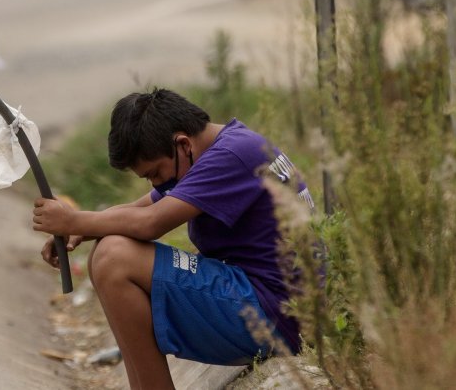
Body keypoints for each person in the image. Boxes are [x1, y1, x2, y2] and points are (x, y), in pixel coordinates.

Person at [32, 89, 315, 390]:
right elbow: (141, 208)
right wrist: (81, 230)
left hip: (277, 315)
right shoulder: (223, 148)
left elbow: (150, 222)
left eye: (154, 173)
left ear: (182, 144)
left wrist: (74, 218)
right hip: (271, 303)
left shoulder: (230, 157)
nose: (156, 183)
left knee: (114, 258)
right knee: (107, 251)